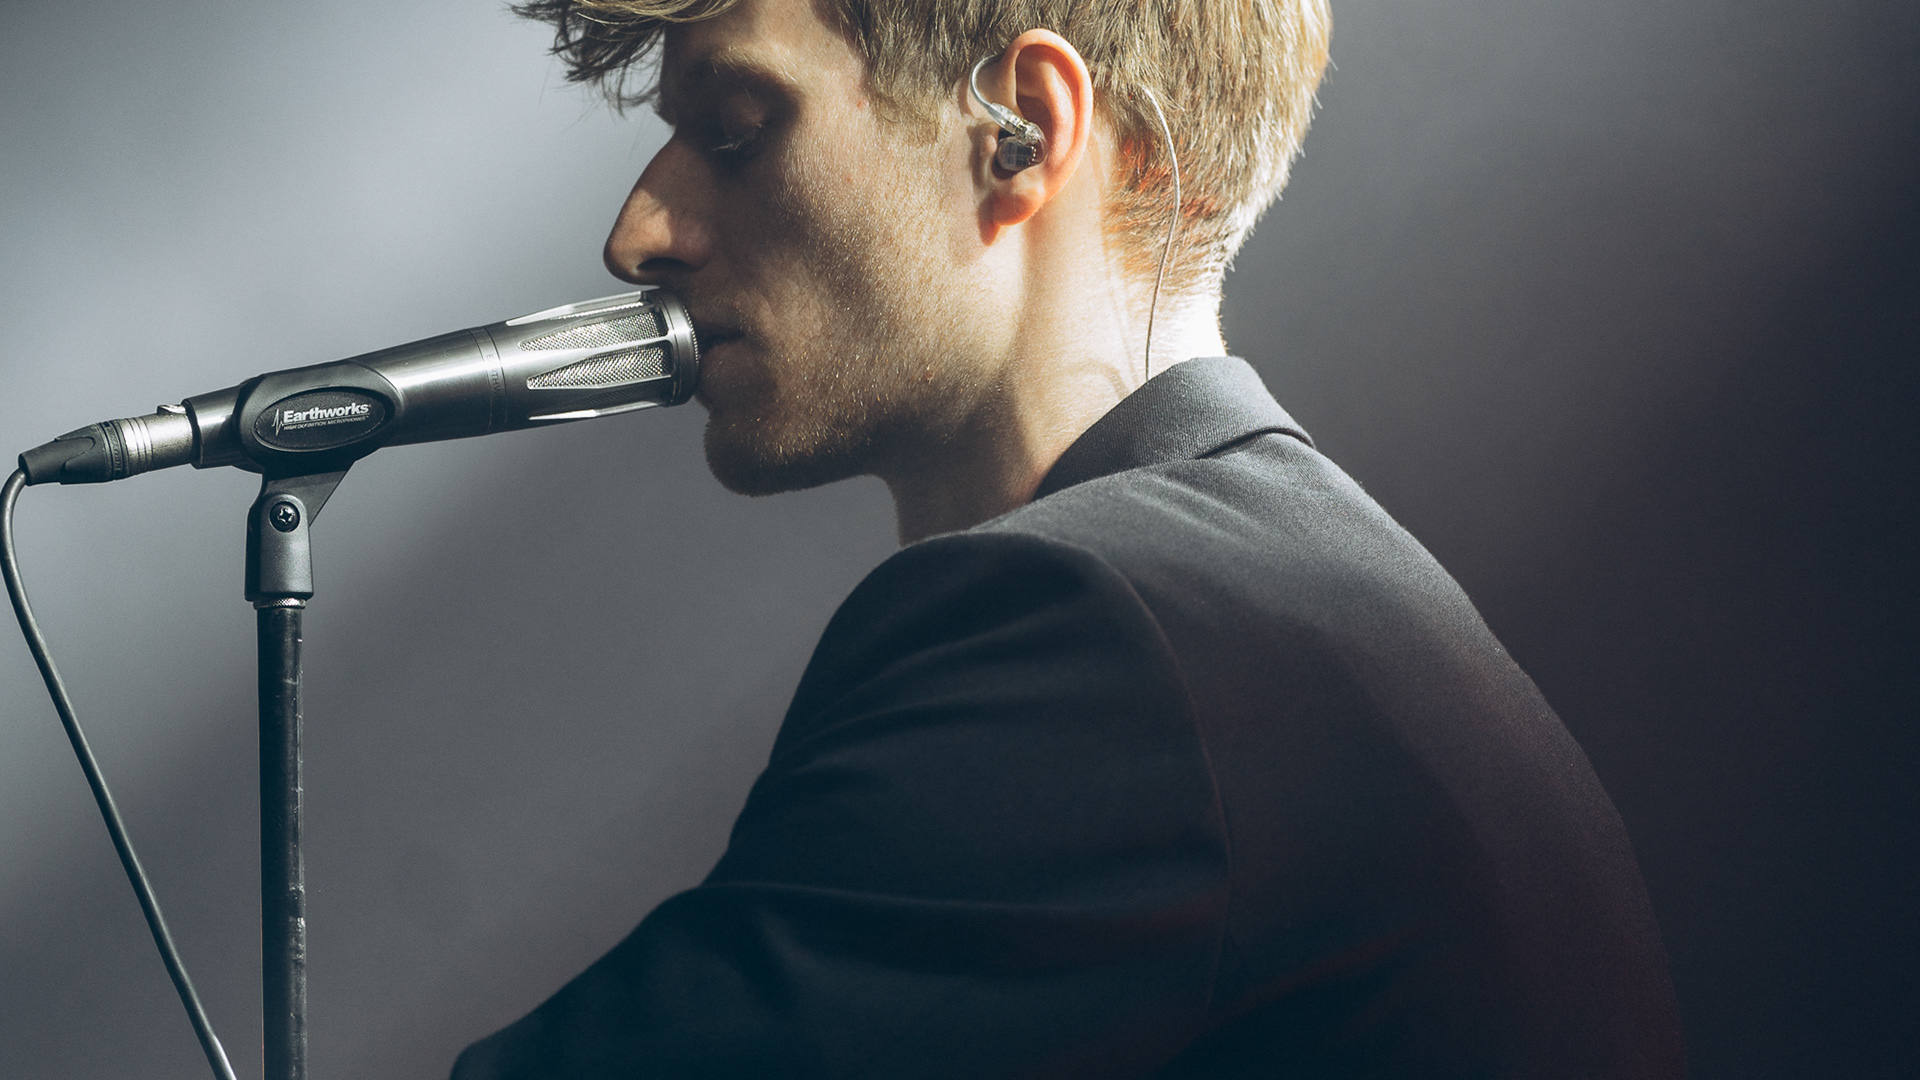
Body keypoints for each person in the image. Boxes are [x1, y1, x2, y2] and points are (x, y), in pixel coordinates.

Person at [452, 0, 1689, 1076]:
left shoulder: (1103, 632)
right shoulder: (1277, 592)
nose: (639, 235)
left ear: (1023, 132)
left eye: (736, 130)